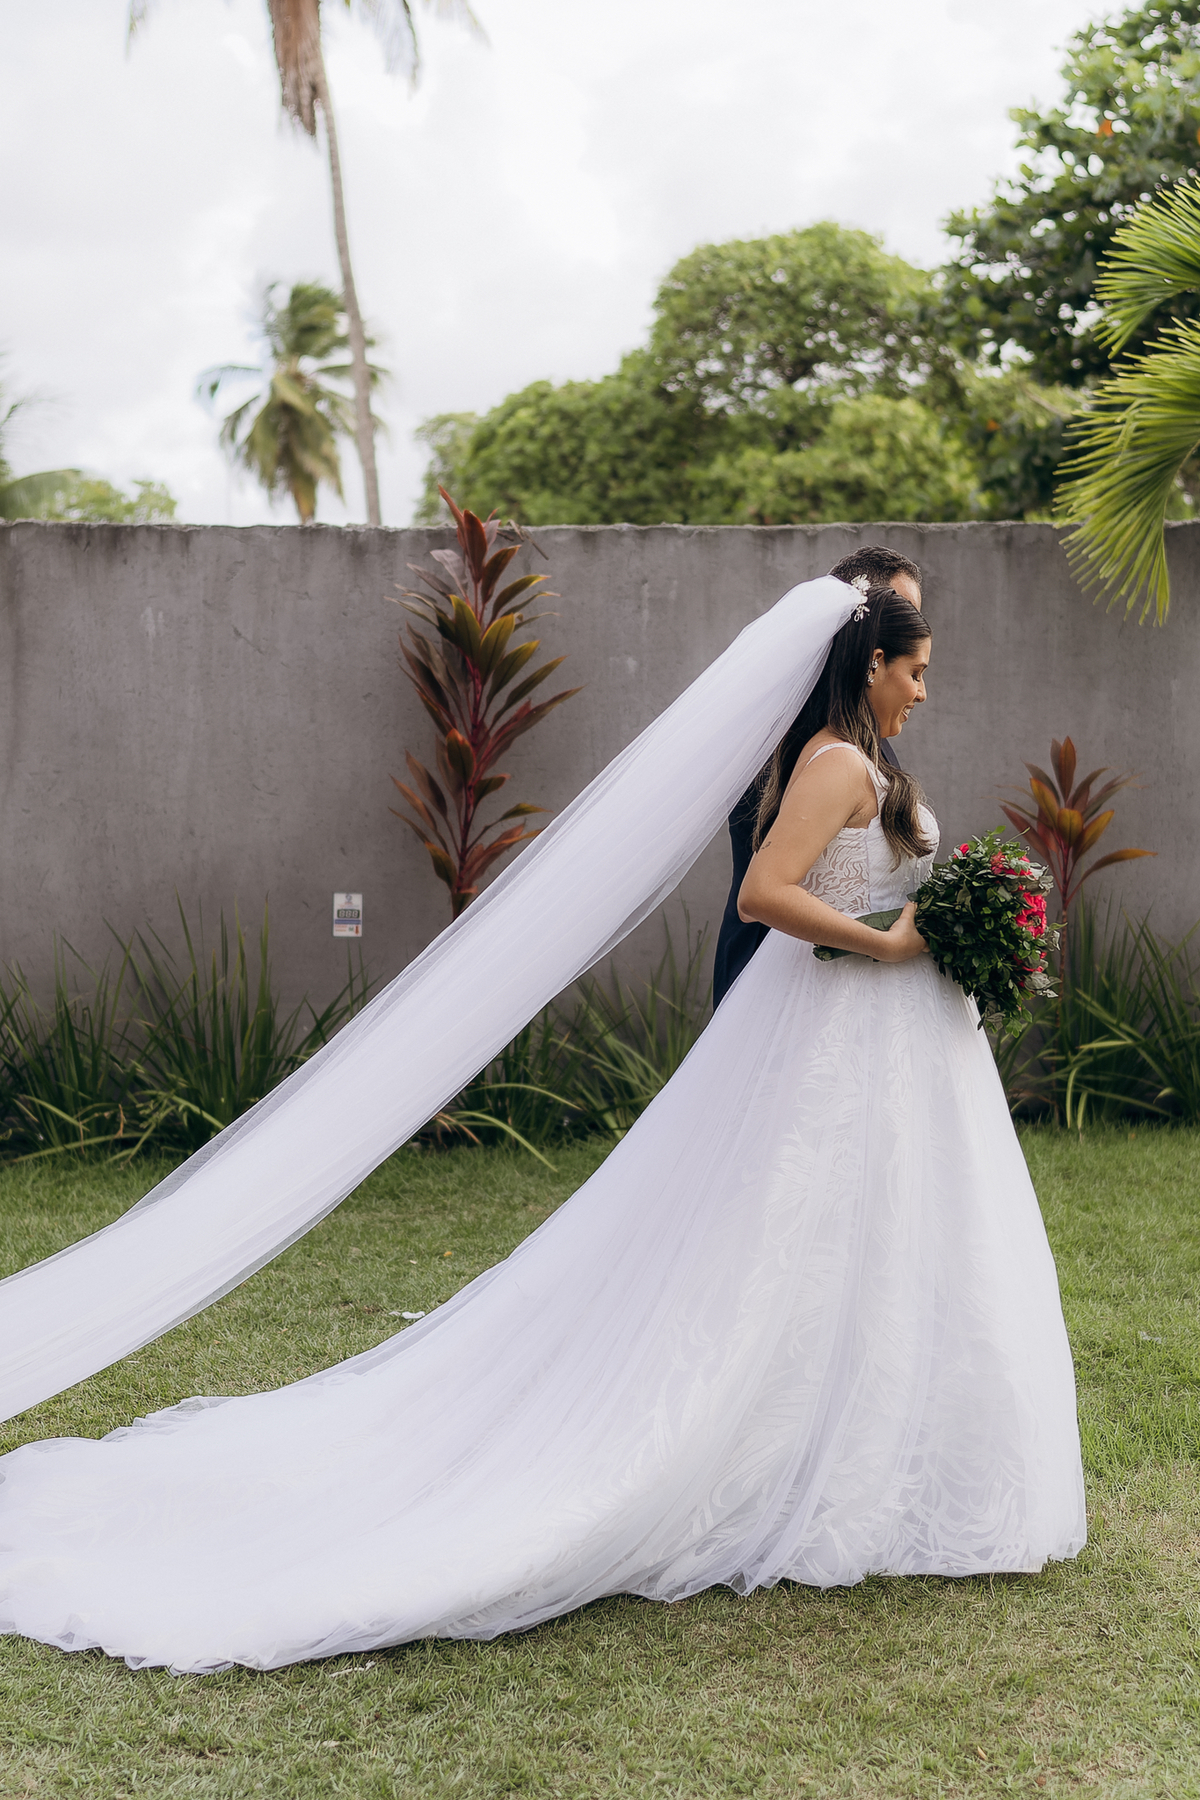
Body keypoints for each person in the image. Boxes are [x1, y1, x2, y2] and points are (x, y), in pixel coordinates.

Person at [0, 578, 1084, 1674]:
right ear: (871, 667)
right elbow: (764, 892)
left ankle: (888, 1464)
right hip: (842, 1037)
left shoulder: (871, 764)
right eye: (915, 671)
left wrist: (961, 925)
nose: (925, 691)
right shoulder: (838, 763)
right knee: (782, 1256)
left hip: (898, 1055)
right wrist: (892, 947)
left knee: (890, 1250)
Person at [711, 546, 923, 1008]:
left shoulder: (867, 736)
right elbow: (767, 880)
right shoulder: (792, 738)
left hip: (854, 985)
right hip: (777, 980)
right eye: (898, 611)